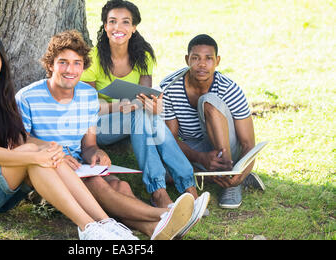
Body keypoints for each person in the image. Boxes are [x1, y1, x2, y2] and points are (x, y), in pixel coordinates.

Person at [0, 33, 138, 240]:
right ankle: (88, 228)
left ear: (1, 65)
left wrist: (51, 147)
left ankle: (106, 224)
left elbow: (20, 137)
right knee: (33, 155)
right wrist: (36, 155)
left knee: (42, 151)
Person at [15, 30, 203, 240]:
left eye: (77, 63)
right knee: (99, 186)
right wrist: (55, 154)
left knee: (120, 185)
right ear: (50, 64)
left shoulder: (86, 95)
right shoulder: (27, 97)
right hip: (48, 171)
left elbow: (89, 145)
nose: (71, 69)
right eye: (63, 62)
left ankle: (154, 230)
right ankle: (166, 214)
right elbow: (20, 141)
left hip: (79, 166)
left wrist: (96, 153)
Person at [80, 0, 208, 219]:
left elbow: (144, 98)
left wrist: (153, 106)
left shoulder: (143, 56)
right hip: (99, 125)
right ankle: (180, 188)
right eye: (112, 21)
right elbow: (88, 107)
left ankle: (167, 190)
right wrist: (118, 106)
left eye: (125, 22)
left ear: (133, 28)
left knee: (147, 115)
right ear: (104, 25)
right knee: (140, 115)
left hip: (135, 119)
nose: (118, 28)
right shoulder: (93, 59)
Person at [160, 34, 265, 209]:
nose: (202, 64)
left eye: (208, 58)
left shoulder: (229, 88)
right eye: (195, 58)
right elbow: (170, 139)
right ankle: (223, 176)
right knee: (162, 173)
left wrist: (238, 174)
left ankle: (230, 177)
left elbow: (248, 144)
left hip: (227, 148)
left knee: (209, 101)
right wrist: (201, 157)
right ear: (187, 60)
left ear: (217, 61)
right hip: (194, 151)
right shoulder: (169, 87)